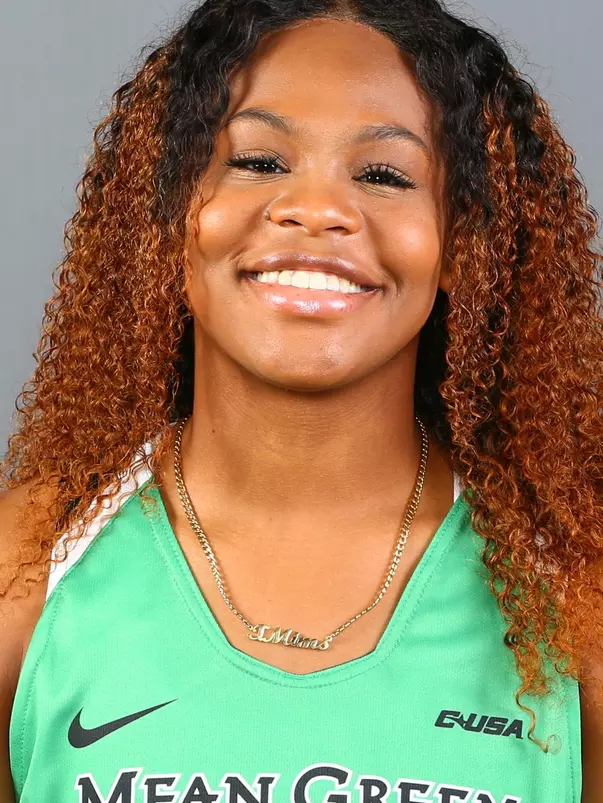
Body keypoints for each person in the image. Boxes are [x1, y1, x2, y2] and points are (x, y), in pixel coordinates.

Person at [0, 0, 601, 800]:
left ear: (462, 245)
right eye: (258, 161)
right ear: (169, 217)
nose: (316, 209)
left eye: (383, 174)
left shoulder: (571, 594)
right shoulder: (30, 567)